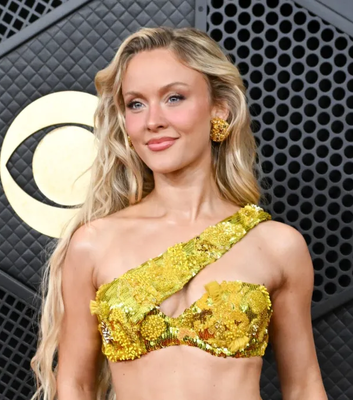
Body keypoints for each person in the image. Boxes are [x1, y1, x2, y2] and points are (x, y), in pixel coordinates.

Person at [30, 26, 328, 400]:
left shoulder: (278, 246)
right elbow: (76, 385)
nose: (152, 120)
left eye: (174, 98)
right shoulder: (93, 243)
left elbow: (303, 387)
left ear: (220, 108)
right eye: (136, 104)